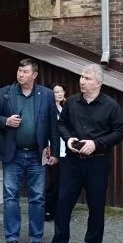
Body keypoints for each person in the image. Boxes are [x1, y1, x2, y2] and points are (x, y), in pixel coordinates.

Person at [48, 63, 123, 243]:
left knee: (96, 206)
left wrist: (96, 144)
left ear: (99, 82)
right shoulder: (71, 102)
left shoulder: (111, 105)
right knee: (63, 203)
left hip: (97, 163)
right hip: (72, 162)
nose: (82, 81)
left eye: (88, 78)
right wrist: (68, 139)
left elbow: (119, 132)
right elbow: (61, 124)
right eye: (82, 77)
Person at [0, 58, 60, 243]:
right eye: (19, 71)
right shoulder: (4, 93)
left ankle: (36, 237)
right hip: (13, 154)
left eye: (25, 72)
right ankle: (12, 237)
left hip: (37, 154)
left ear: (34, 75)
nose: (20, 74)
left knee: (37, 197)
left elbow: (53, 125)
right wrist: (6, 121)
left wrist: (54, 151)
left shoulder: (46, 95)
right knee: (10, 197)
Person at [45, 83, 69, 222]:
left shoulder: (64, 108)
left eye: (61, 91)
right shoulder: (49, 109)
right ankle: (48, 210)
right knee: (52, 182)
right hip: (52, 148)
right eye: (56, 92)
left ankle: (57, 210)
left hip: (64, 149)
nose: (60, 94)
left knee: (62, 182)